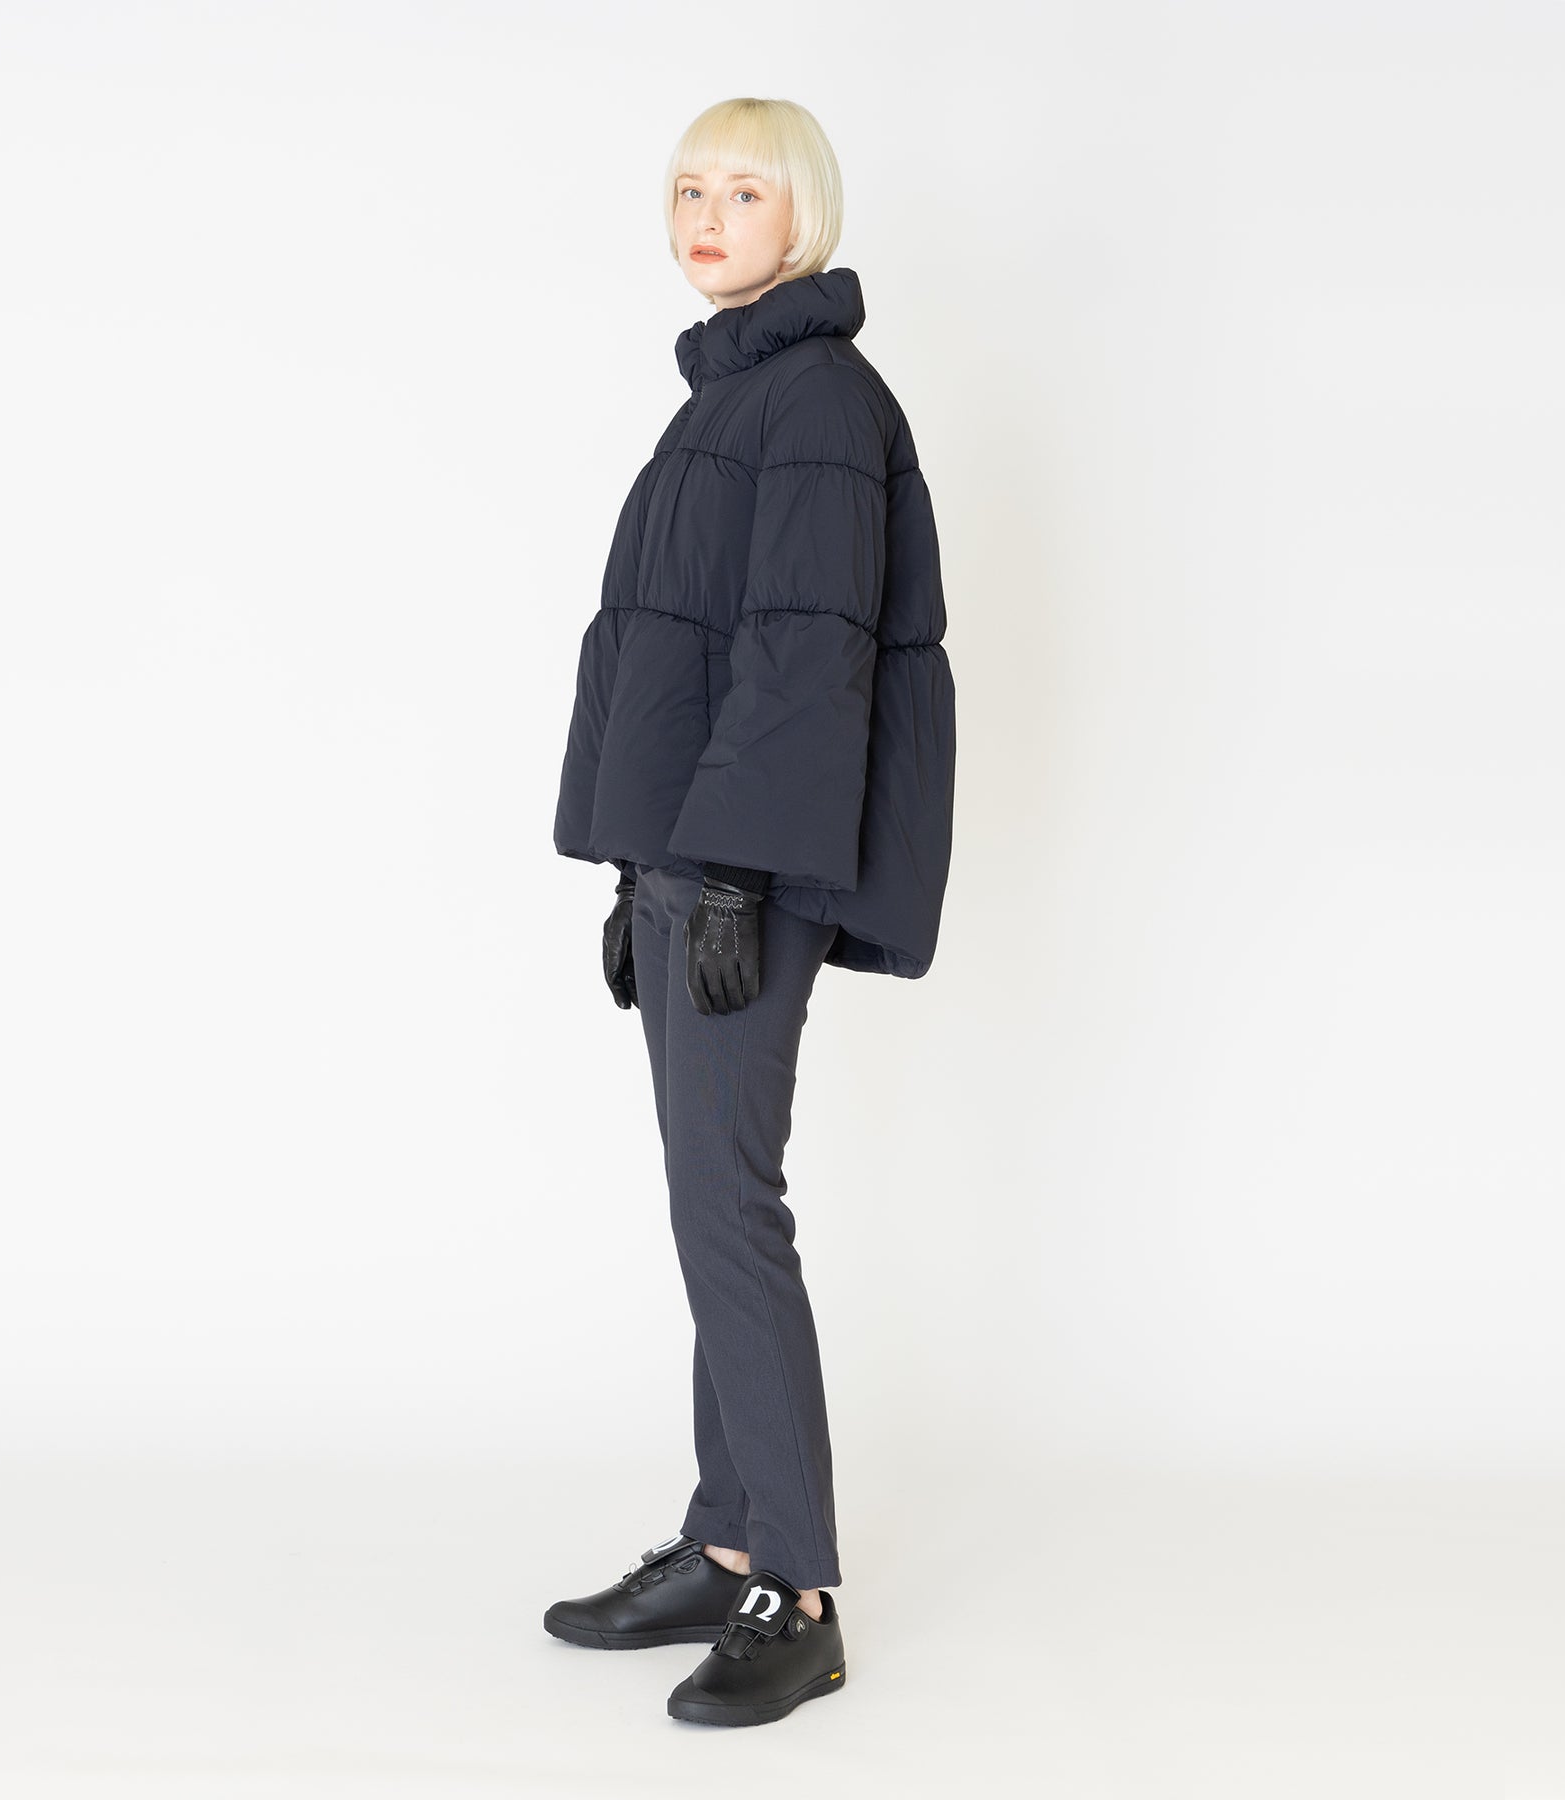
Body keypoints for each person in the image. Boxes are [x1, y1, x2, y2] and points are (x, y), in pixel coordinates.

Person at [548, 95, 957, 1728]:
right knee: (704, 1202)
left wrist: (724, 869)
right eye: (687, 190)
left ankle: (800, 1590)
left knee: (730, 1209)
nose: (705, 217)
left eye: (742, 192)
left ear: (807, 217)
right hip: (691, 863)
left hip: (745, 865)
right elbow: (669, 651)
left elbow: (803, 655)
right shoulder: (727, 396)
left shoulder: (821, 402)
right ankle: (726, 1546)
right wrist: (636, 868)